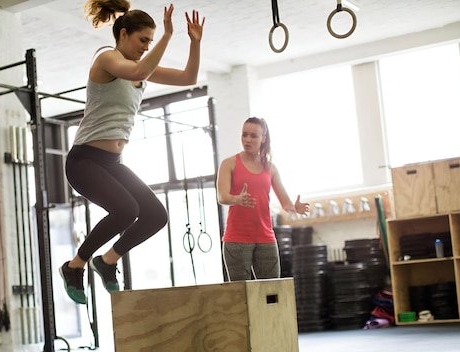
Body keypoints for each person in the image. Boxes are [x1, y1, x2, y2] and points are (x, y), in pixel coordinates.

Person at [59, 1, 205, 304]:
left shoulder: (142, 71)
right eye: (143, 40)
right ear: (123, 34)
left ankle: (108, 260)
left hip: (112, 162)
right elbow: (139, 68)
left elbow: (189, 78)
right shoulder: (106, 58)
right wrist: (166, 35)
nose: (146, 46)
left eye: (150, 41)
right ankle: (75, 266)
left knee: (155, 215)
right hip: (84, 160)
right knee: (126, 210)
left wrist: (195, 43)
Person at [216, 117, 309, 281]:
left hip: (265, 238)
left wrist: (295, 208)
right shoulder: (229, 163)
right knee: (241, 294)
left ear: (263, 139)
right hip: (237, 239)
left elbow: (286, 204)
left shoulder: (270, 168)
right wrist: (237, 199)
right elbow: (222, 196)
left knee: (271, 291)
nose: (247, 140)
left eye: (253, 136)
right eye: (244, 135)